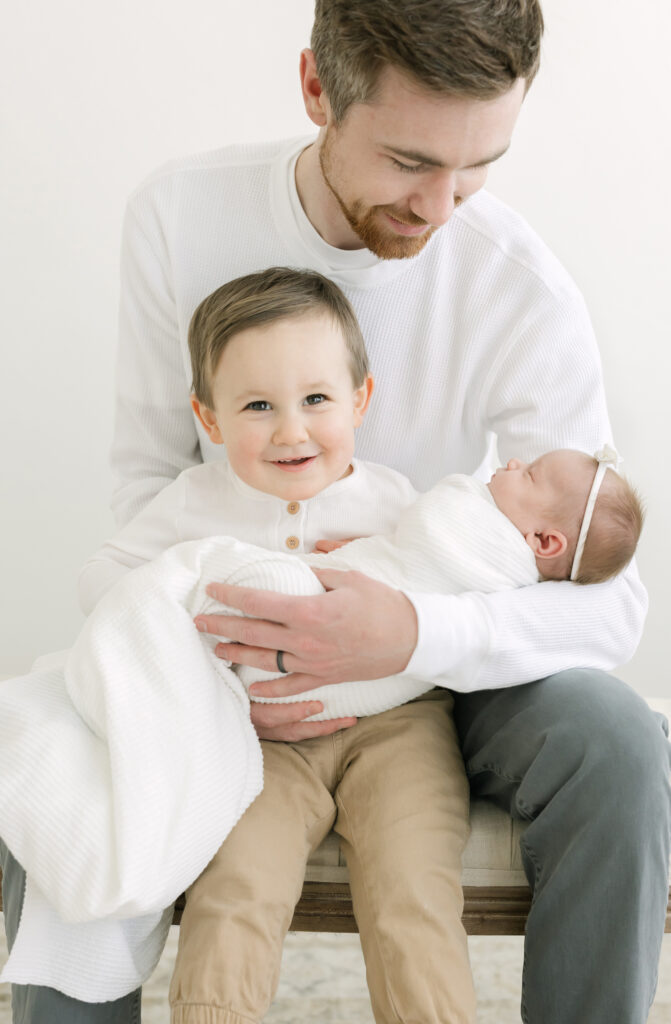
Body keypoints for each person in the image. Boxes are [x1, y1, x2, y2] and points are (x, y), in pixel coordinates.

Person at [2, 1, 669, 1022]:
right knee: (57, 745)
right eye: (409, 160)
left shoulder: (516, 283)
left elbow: (603, 599)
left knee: (617, 743)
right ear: (317, 87)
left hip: (441, 651)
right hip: (235, 638)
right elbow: (147, 490)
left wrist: (410, 630)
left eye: (479, 164)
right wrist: (225, 659)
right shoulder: (181, 217)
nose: (442, 206)